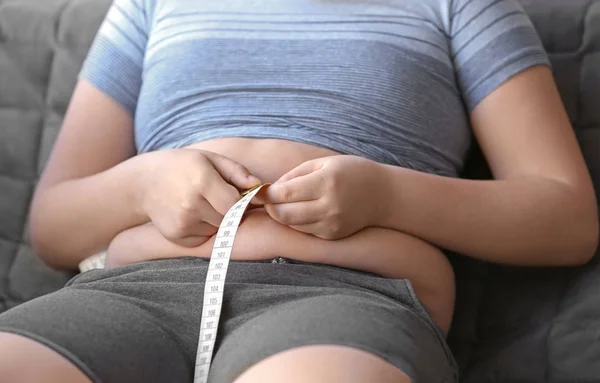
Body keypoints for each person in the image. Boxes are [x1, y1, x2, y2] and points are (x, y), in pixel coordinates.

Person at [0, 0, 597, 381]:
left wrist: (388, 197)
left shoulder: (463, 6)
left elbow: (566, 218)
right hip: (127, 294)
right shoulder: (151, 6)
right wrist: (143, 183)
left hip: (349, 296)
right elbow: (53, 227)